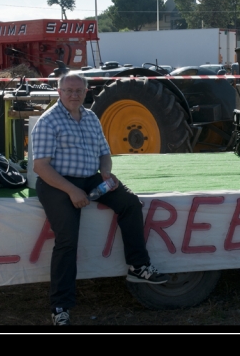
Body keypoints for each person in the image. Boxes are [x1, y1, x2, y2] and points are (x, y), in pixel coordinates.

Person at [31, 72, 169, 326]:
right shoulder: (48, 121)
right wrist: (71, 191)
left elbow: (104, 153)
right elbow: (41, 167)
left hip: (89, 178)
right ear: (59, 92)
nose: (74, 95)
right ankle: (60, 305)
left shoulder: (91, 117)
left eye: (78, 91)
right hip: (56, 182)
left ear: (86, 92)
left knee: (129, 202)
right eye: (69, 90)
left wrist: (105, 172)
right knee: (67, 238)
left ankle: (138, 266)